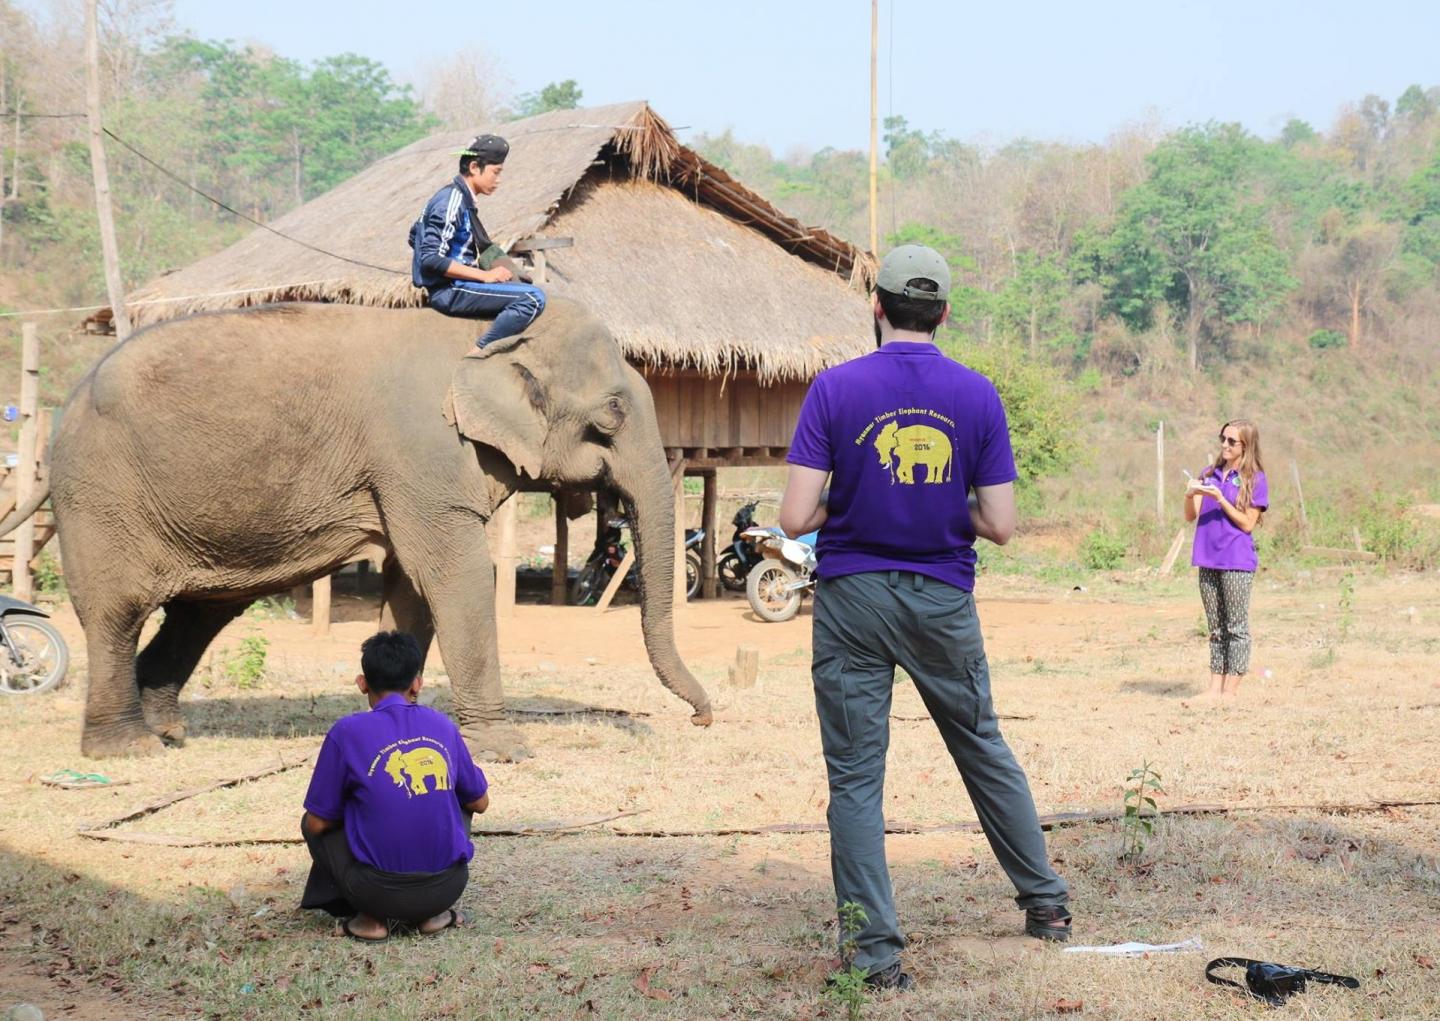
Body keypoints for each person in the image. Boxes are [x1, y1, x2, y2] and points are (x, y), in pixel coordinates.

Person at [779, 244, 1070, 992]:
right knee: (982, 746)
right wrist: (944, 506)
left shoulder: (834, 390)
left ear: (877, 306)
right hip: (942, 601)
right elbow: (1001, 523)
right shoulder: (977, 395)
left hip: (852, 601)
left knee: (854, 779)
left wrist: (854, 498)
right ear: (943, 312)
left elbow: (793, 515)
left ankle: (874, 956)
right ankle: (1045, 904)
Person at [300, 630, 490, 941]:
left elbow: (318, 823)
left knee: (312, 819)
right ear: (417, 683)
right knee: (460, 796)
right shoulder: (442, 725)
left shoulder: (346, 732)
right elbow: (480, 803)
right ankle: (433, 916)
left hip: (376, 892)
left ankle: (371, 921)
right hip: (448, 888)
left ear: (362, 683)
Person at [408, 133, 547, 351]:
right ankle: (481, 351)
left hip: (459, 284)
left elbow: (414, 235)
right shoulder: (451, 200)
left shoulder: (461, 200)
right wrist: (485, 275)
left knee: (523, 287)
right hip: (451, 290)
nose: (498, 180)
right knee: (532, 297)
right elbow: (430, 258)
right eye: (496, 172)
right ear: (474, 167)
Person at [1184, 419, 1268, 697]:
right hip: (1207, 558)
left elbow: (1247, 524)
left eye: (1232, 441)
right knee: (1216, 627)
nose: (1224, 445)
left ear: (1246, 445)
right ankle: (1214, 689)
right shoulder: (1209, 473)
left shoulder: (1254, 479)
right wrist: (1190, 493)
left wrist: (1221, 499)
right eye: (1223, 439)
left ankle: (1230, 691)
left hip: (1236, 560)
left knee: (1236, 626)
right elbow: (1190, 515)